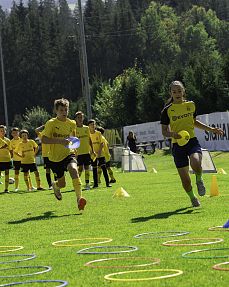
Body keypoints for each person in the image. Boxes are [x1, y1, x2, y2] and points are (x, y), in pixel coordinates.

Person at [160, 80, 224, 207]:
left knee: (195, 162)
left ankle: (199, 180)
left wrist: (211, 129)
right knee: (185, 181)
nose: (177, 93)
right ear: (171, 93)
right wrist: (173, 134)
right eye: (174, 92)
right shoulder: (167, 111)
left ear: (183, 91)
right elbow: (164, 132)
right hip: (178, 146)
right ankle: (192, 197)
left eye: (179, 91)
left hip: (192, 141)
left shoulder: (191, 105)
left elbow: (194, 122)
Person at [41, 98, 86, 211]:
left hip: (68, 154)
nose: (64, 112)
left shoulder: (72, 123)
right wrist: (60, 141)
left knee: (73, 170)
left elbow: (73, 136)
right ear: (56, 111)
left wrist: (74, 146)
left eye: (66, 110)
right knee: (62, 184)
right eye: (61, 110)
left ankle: (79, 199)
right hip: (54, 158)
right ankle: (56, 185)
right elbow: (44, 140)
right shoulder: (51, 123)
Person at [74, 111, 95, 190]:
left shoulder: (86, 128)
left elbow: (89, 139)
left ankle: (87, 184)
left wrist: (92, 150)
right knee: (80, 169)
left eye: (81, 117)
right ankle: (76, 183)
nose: (80, 119)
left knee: (87, 167)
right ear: (75, 119)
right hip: (78, 153)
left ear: (83, 118)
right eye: (78, 117)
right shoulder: (74, 129)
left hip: (86, 152)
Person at [88, 119, 111, 188]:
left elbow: (102, 144)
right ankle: (95, 184)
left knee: (104, 168)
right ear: (88, 126)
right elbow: (88, 144)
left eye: (94, 124)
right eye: (91, 124)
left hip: (101, 154)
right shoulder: (88, 134)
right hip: (93, 154)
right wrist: (92, 152)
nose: (93, 126)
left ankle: (108, 183)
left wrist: (99, 152)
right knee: (94, 169)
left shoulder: (98, 133)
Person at [35, 125, 55, 190]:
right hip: (46, 155)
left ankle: (56, 184)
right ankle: (50, 185)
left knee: (55, 169)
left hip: (53, 153)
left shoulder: (53, 132)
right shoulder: (42, 133)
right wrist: (42, 126)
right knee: (48, 170)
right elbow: (36, 130)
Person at [0, 125, 12, 193]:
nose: (2, 132)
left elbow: (10, 150)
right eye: (1, 131)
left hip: (7, 159)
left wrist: (11, 157)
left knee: (7, 174)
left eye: (3, 130)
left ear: (5, 131)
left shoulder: (8, 140)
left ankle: (6, 189)